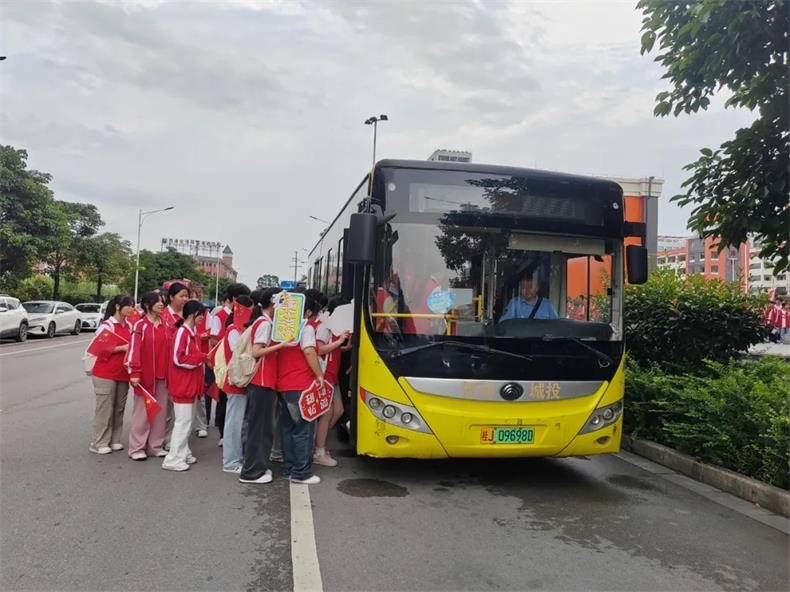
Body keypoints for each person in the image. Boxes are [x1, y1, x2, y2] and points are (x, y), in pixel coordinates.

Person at [240, 288, 293, 484]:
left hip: (265, 382)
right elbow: (256, 352)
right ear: (274, 303)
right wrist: (281, 345)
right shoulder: (264, 324)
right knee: (260, 429)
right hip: (261, 381)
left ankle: (257, 468)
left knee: (261, 429)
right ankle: (252, 472)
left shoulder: (265, 322)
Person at [277, 291, 325, 485]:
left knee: (288, 428)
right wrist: (319, 375)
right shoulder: (306, 327)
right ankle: (301, 472)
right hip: (301, 384)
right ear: (308, 312)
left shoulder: (281, 329)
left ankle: (289, 468)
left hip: (283, 383)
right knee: (304, 429)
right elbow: (309, 351)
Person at [162, 301, 208, 472]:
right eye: (201, 315)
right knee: (183, 423)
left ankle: (183, 452)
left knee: (186, 422)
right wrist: (200, 358)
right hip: (183, 384)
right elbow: (178, 359)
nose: (203, 318)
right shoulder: (183, 333)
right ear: (192, 314)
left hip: (189, 384)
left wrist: (200, 357)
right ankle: (173, 458)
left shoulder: (190, 332)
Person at [127, 291, 170, 460]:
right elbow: (134, 349)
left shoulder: (165, 324)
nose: (161, 304)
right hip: (145, 377)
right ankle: (136, 448)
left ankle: (155, 446)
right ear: (147, 305)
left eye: (162, 301)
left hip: (163, 376)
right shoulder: (140, 325)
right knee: (142, 413)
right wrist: (135, 371)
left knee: (160, 412)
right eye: (157, 301)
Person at [89, 295, 134, 455]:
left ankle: (115, 439)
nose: (131, 309)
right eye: (128, 305)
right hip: (105, 373)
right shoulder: (107, 325)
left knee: (119, 408)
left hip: (122, 373)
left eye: (132, 305)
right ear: (117, 307)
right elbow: (98, 349)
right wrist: (121, 348)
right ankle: (99, 442)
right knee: (105, 408)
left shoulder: (130, 326)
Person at [208, 282, 251, 446]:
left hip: (234, 364)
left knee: (230, 402)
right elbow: (213, 340)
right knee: (223, 399)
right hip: (225, 362)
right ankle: (223, 433)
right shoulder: (220, 316)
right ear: (234, 299)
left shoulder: (240, 318)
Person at [314, 295, 352, 467]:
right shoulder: (325, 327)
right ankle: (319, 451)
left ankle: (317, 443)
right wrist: (341, 342)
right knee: (327, 413)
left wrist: (344, 346)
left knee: (338, 410)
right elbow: (319, 349)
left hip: (332, 375)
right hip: (325, 376)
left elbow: (333, 349)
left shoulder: (335, 327)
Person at [221, 295, 255, 474]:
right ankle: (230, 462)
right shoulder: (233, 330)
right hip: (235, 383)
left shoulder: (240, 329)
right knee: (234, 424)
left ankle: (238, 458)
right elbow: (240, 354)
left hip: (242, 383)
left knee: (241, 423)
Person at [161, 282, 190, 448]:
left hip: (184, 367)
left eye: (187, 296)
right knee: (167, 405)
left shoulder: (188, 315)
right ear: (171, 297)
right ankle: (165, 439)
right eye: (181, 296)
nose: (185, 299)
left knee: (180, 408)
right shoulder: (163, 315)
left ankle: (177, 441)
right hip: (166, 365)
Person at [192, 300, 212, 439]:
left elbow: (211, 332)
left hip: (199, 361)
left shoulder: (205, 314)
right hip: (184, 363)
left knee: (200, 394)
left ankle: (201, 425)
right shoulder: (172, 317)